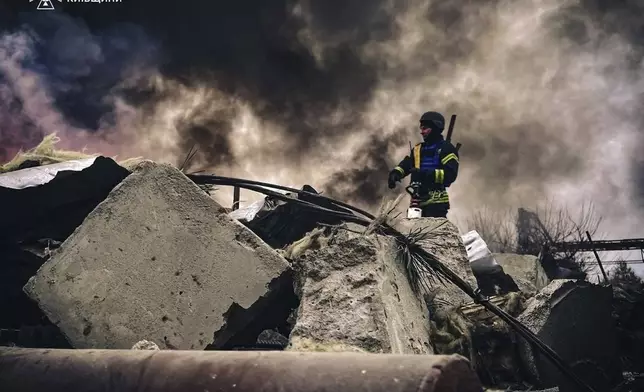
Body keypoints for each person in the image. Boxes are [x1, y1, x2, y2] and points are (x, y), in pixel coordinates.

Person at [388, 111, 460, 218]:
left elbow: (450, 175)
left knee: (433, 233)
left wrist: (425, 173)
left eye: (425, 128)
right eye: (421, 128)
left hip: (437, 203)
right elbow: (407, 164)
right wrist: (396, 173)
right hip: (416, 202)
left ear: (436, 128)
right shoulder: (418, 149)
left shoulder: (447, 149)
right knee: (414, 232)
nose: (422, 132)